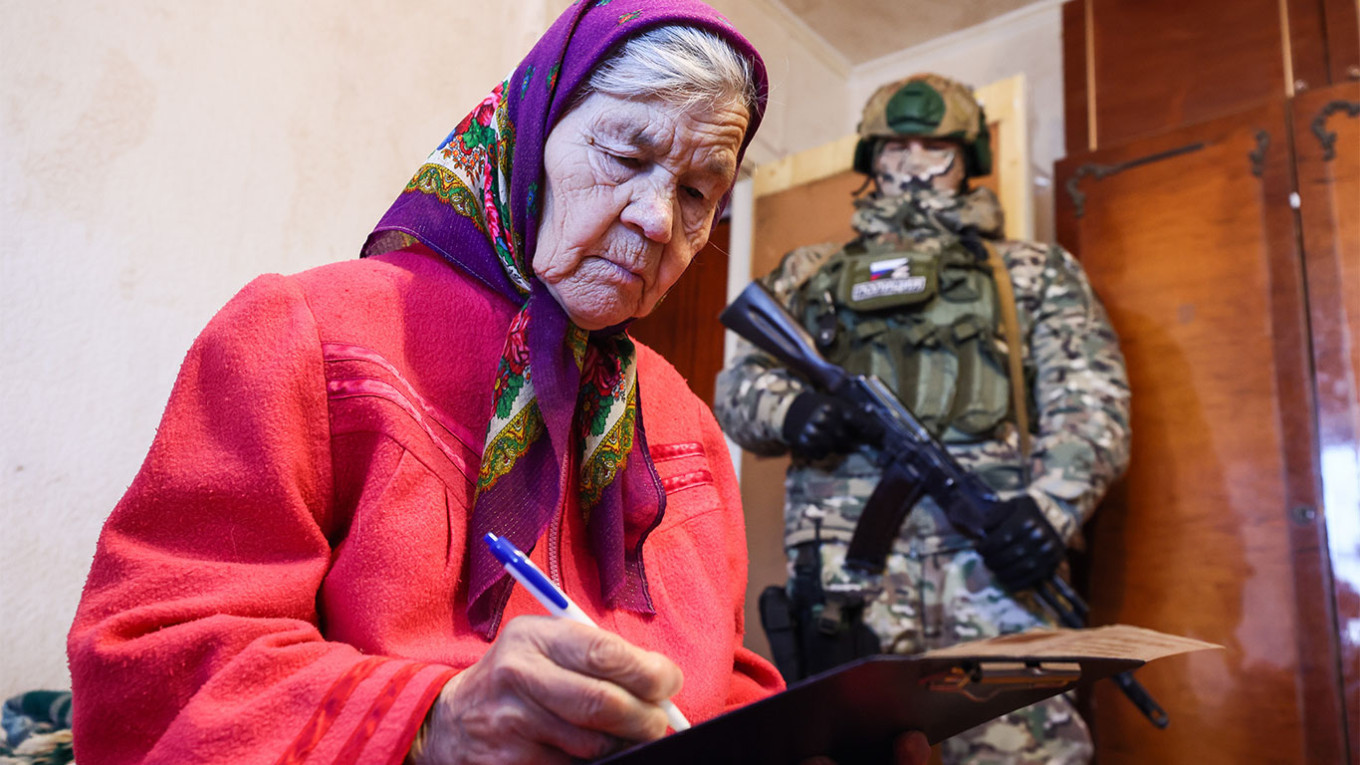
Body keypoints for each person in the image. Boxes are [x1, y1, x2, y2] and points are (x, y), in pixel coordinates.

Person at [65, 3, 934, 763]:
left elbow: (719, 684)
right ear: (529, 132)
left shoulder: (685, 423)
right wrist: (429, 722)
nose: (658, 220)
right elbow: (152, 660)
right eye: (627, 153)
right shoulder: (310, 332)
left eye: (701, 192)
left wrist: (804, 741)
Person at [715, 73, 1132, 764]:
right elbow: (739, 387)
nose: (911, 170)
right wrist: (796, 411)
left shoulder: (1029, 272)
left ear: (967, 159)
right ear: (871, 161)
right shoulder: (813, 275)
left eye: (933, 151)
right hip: (849, 574)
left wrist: (1051, 511)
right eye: (895, 150)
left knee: (1033, 750)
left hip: (990, 568)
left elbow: (1092, 399)